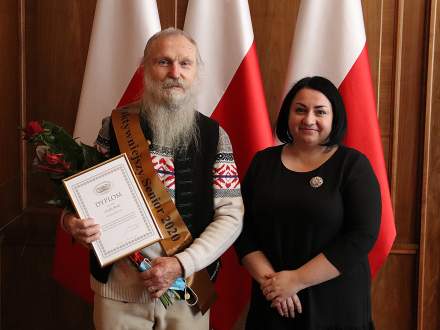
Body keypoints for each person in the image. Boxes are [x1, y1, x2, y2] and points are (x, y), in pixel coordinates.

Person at [62, 28, 244, 330]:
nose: (175, 72)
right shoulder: (114, 127)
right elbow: (80, 200)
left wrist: (182, 264)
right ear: (145, 68)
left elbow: (231, 216)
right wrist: (72, 223)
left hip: (186, 291)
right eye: (163, 62)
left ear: (196, 71)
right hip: (118, 295)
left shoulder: (214, 136)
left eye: (185, 63)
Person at [235, 76, 381, 329]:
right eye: (300, 110)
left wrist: (296, 280)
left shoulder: (352, 165)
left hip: (335, 304)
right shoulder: (262, 163)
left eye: (320, 111)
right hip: (273, 299)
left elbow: (362, 235)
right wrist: (274, 285)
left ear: (334, 117)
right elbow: (241, 227)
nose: (308, 119)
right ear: (287, 115)